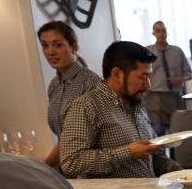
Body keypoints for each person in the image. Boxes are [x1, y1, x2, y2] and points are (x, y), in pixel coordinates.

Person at [60, 41, 181, 178]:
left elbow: (153, 156)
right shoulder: (86, 106)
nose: (148, 85)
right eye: (142, 77)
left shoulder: (136, 104)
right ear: (117, 74)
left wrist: (183, 173)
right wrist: (127, 152)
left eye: (149, 76)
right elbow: (70, 162)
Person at [37, 20, 101, 169]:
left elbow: (79, 139)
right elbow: (63, 138)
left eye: (57, 45)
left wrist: (44, 167)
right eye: (45, 45)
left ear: (74, 47)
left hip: (89, 169)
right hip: (66, 169)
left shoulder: (90, 82)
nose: (50, 52)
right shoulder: (54, 85)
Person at [143, 20, 192, 136]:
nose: (161, 34)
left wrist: (179, 79)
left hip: (174, 99)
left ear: (167, 32)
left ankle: (174, 155)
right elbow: (141, 74)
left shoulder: (177, 51)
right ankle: (159, 154)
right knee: (157, 133)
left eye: (163, 31)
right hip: (155, 100)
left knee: (177, 134)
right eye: (158, 31)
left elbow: (189, 74)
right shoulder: (147, 52)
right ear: (153, 33)